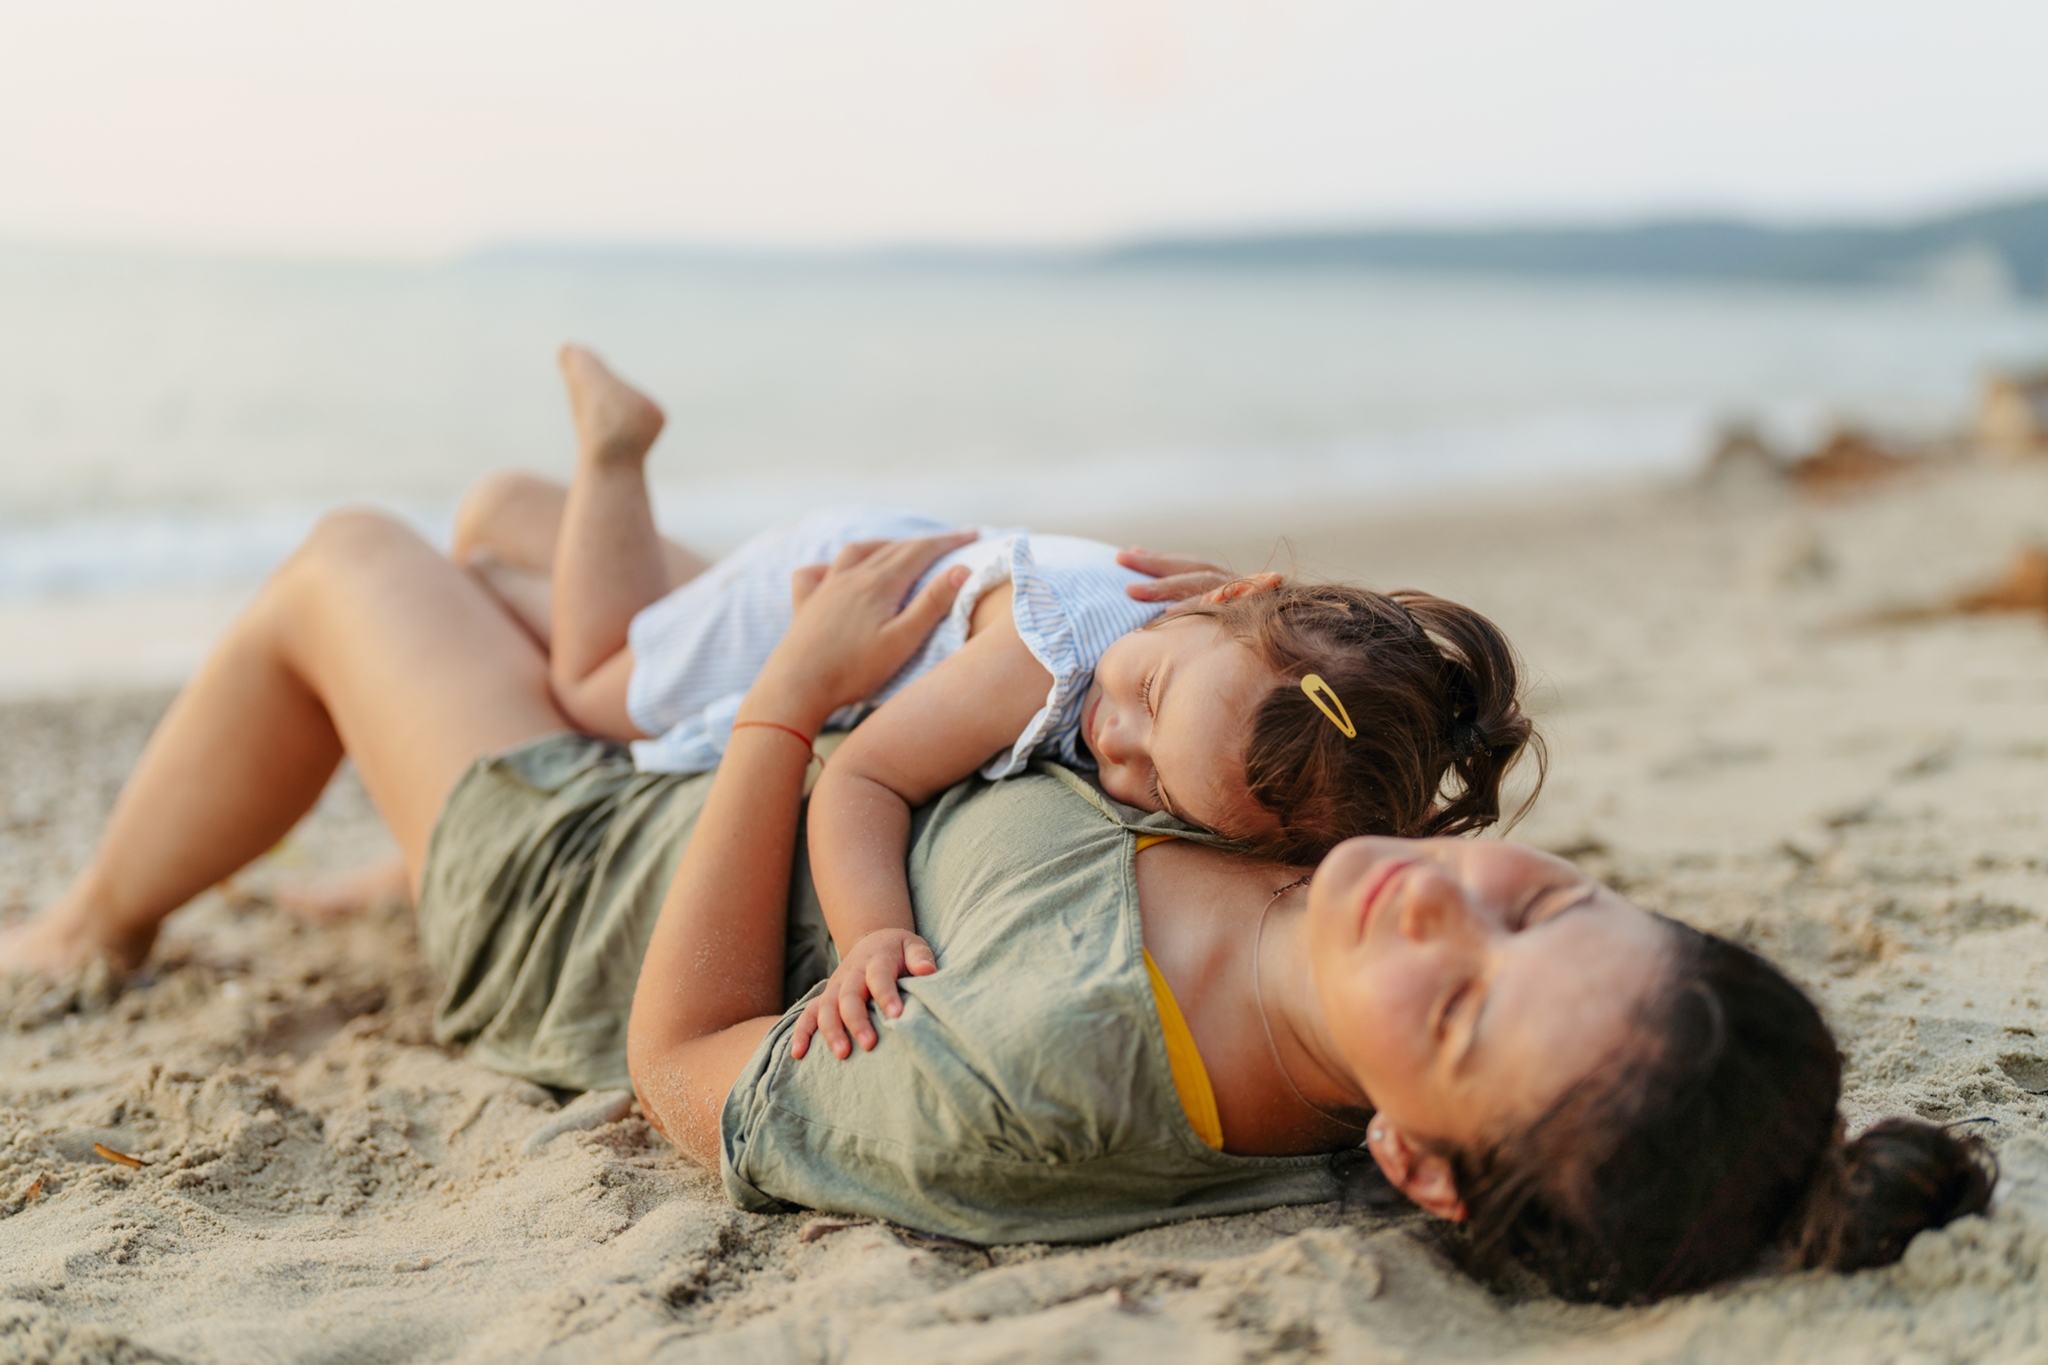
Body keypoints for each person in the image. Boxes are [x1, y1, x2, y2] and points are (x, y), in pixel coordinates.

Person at [0, 512, 1989, 1310]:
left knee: (351, 564)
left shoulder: (1046, 1074)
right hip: (755, 776)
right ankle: (375, 820)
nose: (1432, 906)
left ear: (1415, 1161)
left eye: (1465, 1010)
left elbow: (682, 1064)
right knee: (521, 541)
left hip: (587, 877)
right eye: (1535, 898)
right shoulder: (1323, 872)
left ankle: (93, 918)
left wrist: (788, 692)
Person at [514, 347, 1541, 1047]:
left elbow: (1257, 699)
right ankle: (614, 449)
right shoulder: (1045, 663)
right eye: (1147, 691)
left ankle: (500, 547)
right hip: (841, 581)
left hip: (933, 564)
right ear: (1227, 595)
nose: (1114, 732)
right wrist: (871, 929)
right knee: (593, 687)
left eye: (1149, 780)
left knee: (630, 635)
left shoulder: (1224, 646)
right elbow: (863, 775)